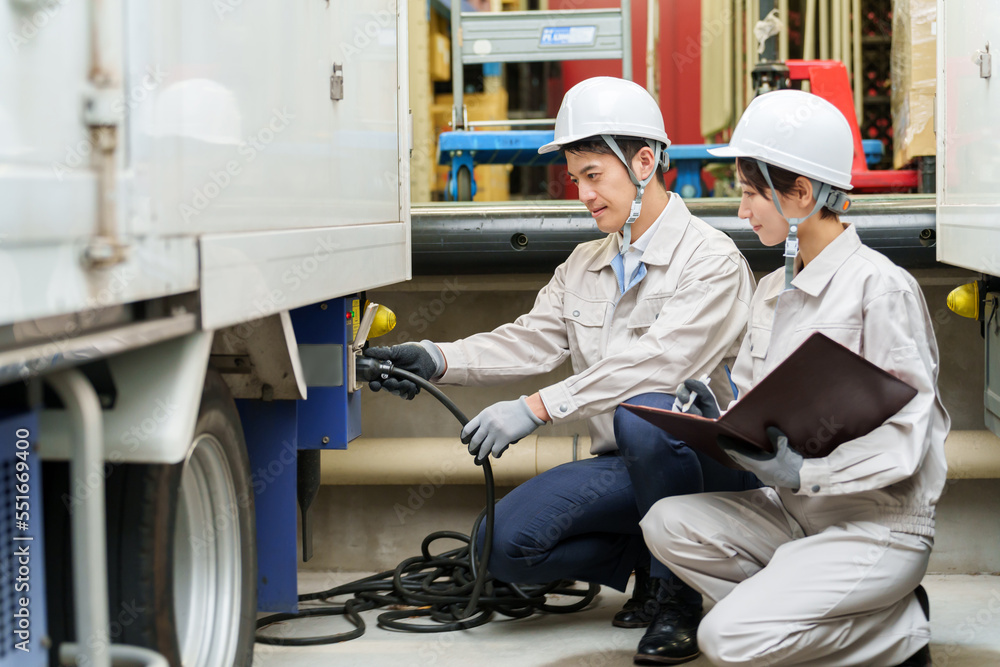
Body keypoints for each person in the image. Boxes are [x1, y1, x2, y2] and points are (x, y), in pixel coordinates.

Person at [365, 76, 759, 664]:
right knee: (498, 548)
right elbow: (531, 339)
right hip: (624, 468)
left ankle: (676, 595)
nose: (582, 194)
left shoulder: (711, 261)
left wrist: (536, 408)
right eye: (576, 179)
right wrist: (437, 358)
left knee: (645, 415)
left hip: (707, 468)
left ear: (644, 162)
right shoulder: (585, 263)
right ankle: (648, 558)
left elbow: (658, 362)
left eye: (593, 176)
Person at [640, 89, 948, 667]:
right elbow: (764, 413)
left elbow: (910, 439)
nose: (742, 210)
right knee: (665, 523)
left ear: (801, 194)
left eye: (752, 193)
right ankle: (832, 608)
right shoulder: (771, 291)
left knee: (725, 639)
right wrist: (720, 420)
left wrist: (808, 471)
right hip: (794, 516)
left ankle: (897, 631)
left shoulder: (879, 288)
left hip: (876, 524)